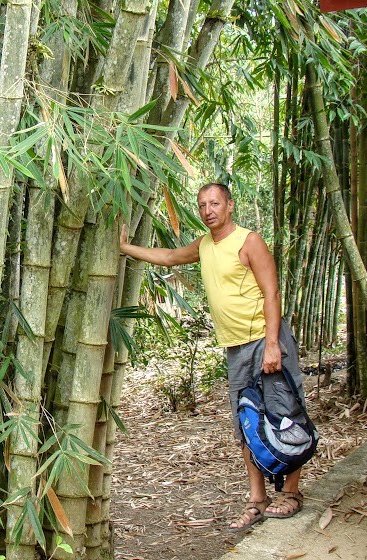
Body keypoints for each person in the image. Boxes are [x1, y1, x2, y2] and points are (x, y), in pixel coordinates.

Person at [120, 182, 308, 532]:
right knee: (247, 424)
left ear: (230, 205)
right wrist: (125, 247)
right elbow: (170, 257)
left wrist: (271, 345)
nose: (208, 210)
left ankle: (292, 494)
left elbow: (272, 292)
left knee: (284, 416)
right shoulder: (206, 245)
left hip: (263, 340)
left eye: (215, 203)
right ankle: (257, 500)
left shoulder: (249, 242)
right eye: (203, 204)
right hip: (235, 347)